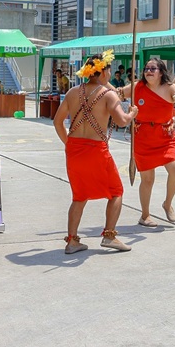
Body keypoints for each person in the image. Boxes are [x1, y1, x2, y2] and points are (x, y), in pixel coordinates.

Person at [53, 51, 138, 254]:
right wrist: (132, 113)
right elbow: (121, 120)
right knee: (116, 191)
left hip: (74, 149)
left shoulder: (73, 92)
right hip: (96, 150)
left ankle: (72, 241)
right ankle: (109, 235)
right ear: (104, 72)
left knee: (79, 196)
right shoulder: (107, 95)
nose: (110, 73)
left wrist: (68, 143)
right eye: (108, 69)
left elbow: (57, 121)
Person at [119, 59, 175, 226]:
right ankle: (145, 216)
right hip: (143, 137)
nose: (149, 71)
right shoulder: (137, 86)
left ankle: (167, 203)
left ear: (161, 72)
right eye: (146, 68)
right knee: (148, 179)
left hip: (165, 136)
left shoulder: (169, 87)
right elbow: (118, 93)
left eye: (153, 68)